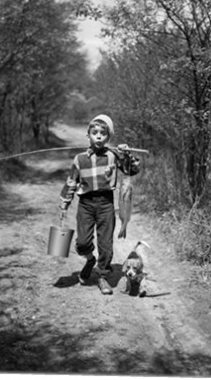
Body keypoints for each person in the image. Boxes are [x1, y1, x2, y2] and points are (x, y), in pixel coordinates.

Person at [59, 114, 141, 295]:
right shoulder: (79, 159)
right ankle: (90, 260)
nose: (98, 136)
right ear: (87, 135)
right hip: (86, 204)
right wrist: (64, 204)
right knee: (82, 243)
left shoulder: (113, 155)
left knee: (106, 244)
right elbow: (71, 182)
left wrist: (126, 154)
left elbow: (132, 169)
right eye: (94, 132)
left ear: (108, 138)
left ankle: (103, 276)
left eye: (103, 134)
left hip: (106, 204)